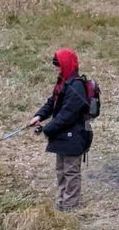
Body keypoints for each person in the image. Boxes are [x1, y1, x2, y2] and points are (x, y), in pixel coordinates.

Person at [27, 48, 90, 212]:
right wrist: (39, 116)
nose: (56, 68)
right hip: (62, 135)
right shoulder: (64, 82)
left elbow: (68, 114)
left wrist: (47, 129)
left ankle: (69, 207)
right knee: (61, 170)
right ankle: (62, 202)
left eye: (58, 64)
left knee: (71, 172)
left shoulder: (77, 86)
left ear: (66, 64)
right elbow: (52, 102)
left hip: (74, 136)